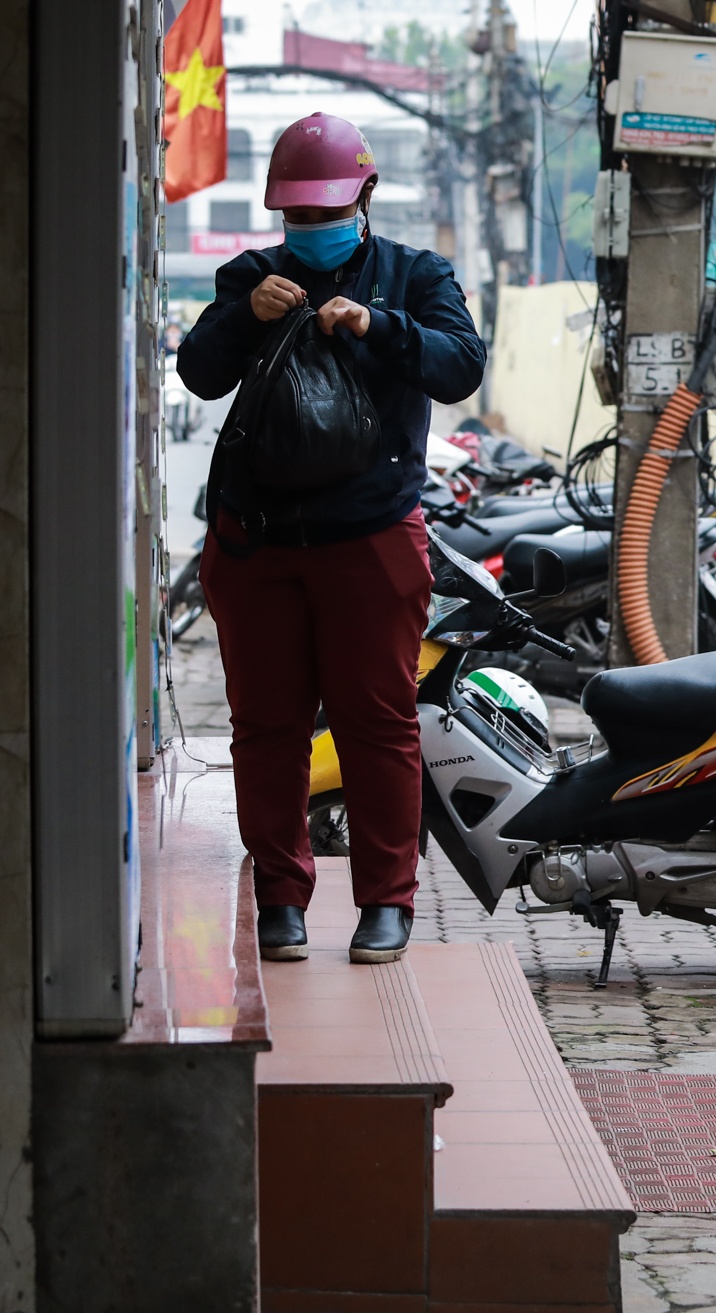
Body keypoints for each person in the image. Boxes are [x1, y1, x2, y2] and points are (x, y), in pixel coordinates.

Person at [177, 113, 486, 965]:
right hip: (257, 543)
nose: (311, 232)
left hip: (371, 538)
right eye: (298, 219)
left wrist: (376, 326)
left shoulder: (416, 275)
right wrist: (243, 314)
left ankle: (386, 901)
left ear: (366, 196)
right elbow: (199, 372)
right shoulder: (253, 274)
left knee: (378, 722)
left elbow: (461, 365)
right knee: (265, 724)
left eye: (326, 214)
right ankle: (280, 895)